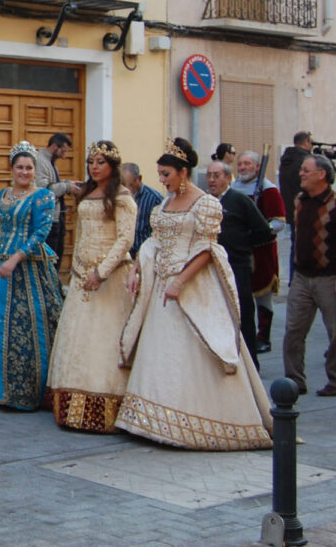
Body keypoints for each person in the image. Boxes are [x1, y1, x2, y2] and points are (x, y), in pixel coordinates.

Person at [116, 138, 272, 450]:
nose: (162, 180)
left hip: (193, 285)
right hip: (161, 284)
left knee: (195, 347)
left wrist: (181, 281)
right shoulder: (164, 204)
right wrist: (136, 267)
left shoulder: (206, 204)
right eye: (160, 174)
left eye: (166, 174)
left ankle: (195, 419)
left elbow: (207, 250)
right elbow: (155, 240)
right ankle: (151, 418)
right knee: (160, 349)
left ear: (183, 172)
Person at [47, 141, 136, 432]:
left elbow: (124, 240)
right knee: (77, 338)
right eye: (91, 162)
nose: (94, 167)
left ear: (113, 165)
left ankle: (107, 407)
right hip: (81, 275)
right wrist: (75, 267)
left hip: (109, 278)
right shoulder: (86, 193)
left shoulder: (122, 197)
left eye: (100, 162)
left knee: (103, 340)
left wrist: (102, 271)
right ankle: (72, 405)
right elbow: (82, 234)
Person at [0, 140, 63, 411]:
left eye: (29, 168)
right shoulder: (5, 193)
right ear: (11, 169)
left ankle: (26, 391)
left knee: (29, 326)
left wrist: (15, 258)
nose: (24, 172)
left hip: (29, 265)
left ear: (35, 170)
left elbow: (40, 234)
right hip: (2, 262)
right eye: (19, 167)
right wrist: (5, 258)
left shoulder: (43, 197)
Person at [283, 155, 336, 397]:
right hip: (301, 278)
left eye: (306, 170)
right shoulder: (299, 201)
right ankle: (293, 382)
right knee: (293, 331)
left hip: (331, 279)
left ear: (322, 175)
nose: (301, 174)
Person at [205, 160, 275, 367]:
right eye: (209, 175)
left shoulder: (240, 200)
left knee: (242, 316)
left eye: (216, 176)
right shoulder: (205, 201)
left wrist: (242, 244)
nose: (211, 180)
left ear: (228, 178)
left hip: (238, 266)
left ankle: (250, 365)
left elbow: (263, 231)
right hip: (212, 268)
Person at [232, 150, 286, 355]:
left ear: (257, 167)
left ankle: (264, 337)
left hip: (260, 250)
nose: (243, 168)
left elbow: (279, 222)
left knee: (263, 296)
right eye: (241, 164)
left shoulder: (268, 190)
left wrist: (258, 230)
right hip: (238, 249)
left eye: (248, 164)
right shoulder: (234, 189)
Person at [35, 133, 77, 265]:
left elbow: (52, 183)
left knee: (57, 255)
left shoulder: (50, 162)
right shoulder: (40, 161)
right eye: (63, 151)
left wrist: (70, 183)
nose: (64, 156)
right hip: (47, 218)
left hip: (58, 216)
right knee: (49, 260)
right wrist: (66, 187)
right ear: (54, 146)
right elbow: (43, 189)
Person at [279, 131, 312, 283]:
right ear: (306, 142)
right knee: (307, 246)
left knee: (295, 246)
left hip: (291, 210)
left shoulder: (286, 160)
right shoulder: (305, 161)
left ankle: (294, 281)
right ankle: (303, 281)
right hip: (306, 209)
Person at [120, 162, 162, 258]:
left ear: (139, 179)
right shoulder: (118, 197)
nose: (126, 190)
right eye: (123, 186)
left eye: (130, 185)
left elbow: (159, 233)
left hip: (144, 256)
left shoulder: (155, 199)